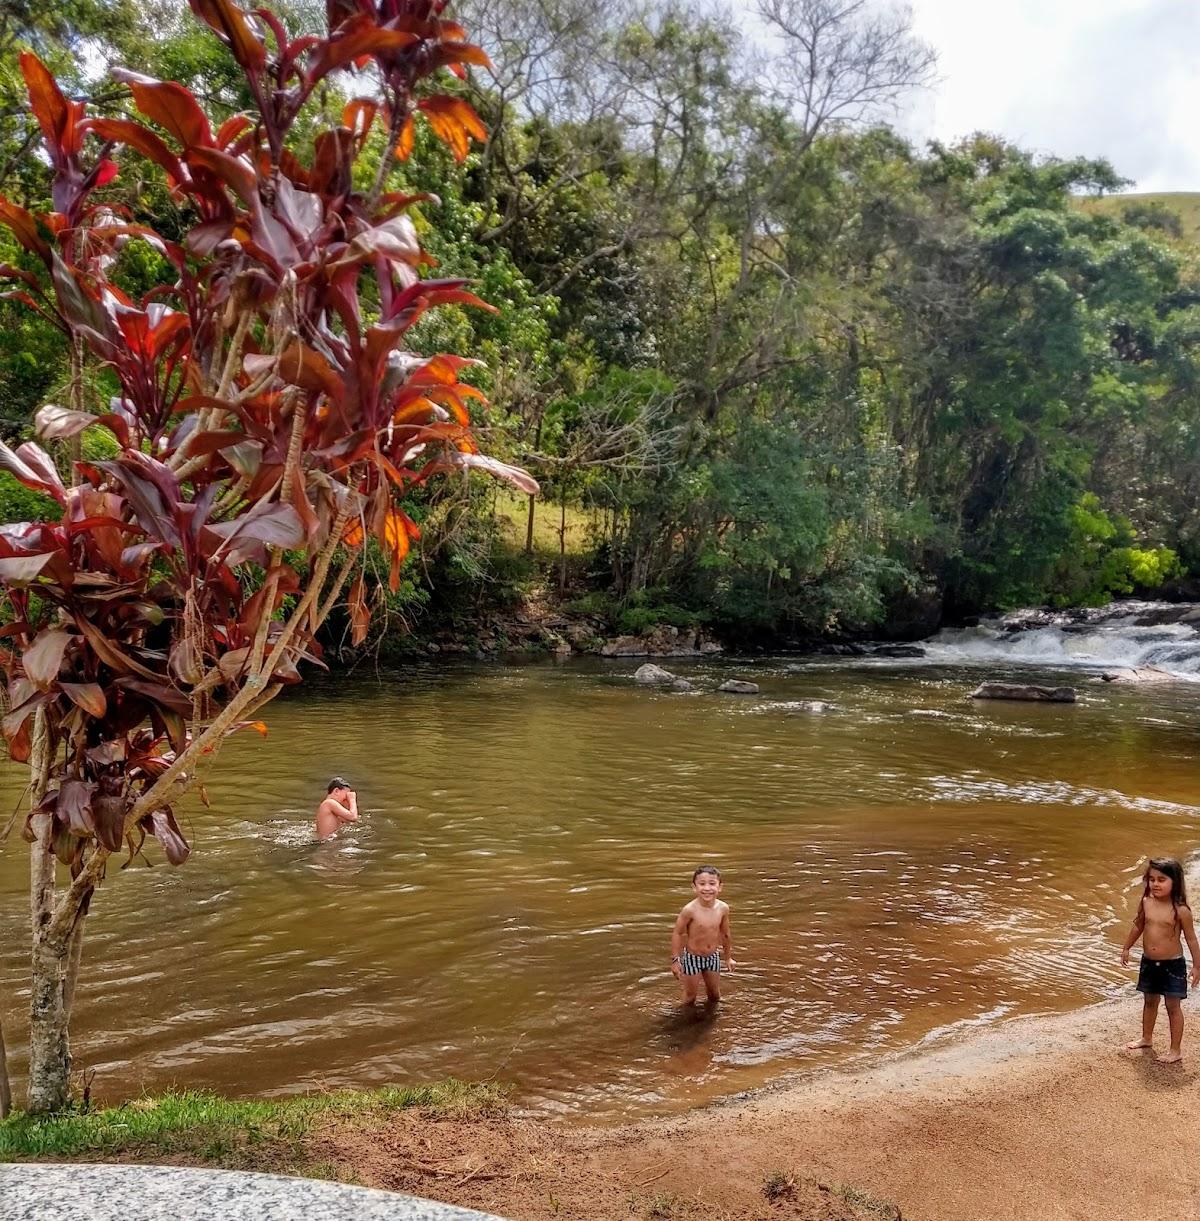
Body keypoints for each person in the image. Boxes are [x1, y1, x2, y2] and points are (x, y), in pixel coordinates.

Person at [1120, 856, 1200, 1063]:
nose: (1155, 884)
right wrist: (1127, 947)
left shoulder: (1181, 910)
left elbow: (1191, 939)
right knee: (1149, 1002)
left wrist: (1197, 966)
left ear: (1175, 882)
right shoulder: (1146, 902)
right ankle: (1146, 1038)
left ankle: (1175, 1050)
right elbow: (1138, 925)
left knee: (1173, 1006)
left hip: (1172, 965)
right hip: (1149, 962)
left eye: (1161, 880)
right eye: (1151, 879)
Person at [670, 865, 735, 1004]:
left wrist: (728, 958)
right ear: (694, 887)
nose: (707, 888)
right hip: (693, 958)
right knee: (690, 996)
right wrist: (675, 960)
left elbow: (725, 934)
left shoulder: (723, 908)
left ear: (720, 887)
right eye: (702, 884)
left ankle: (711, 1021)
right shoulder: (689, 910)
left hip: (712, 957)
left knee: (714, 995)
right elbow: (677, 933)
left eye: (712, 884)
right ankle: (683, 1021)